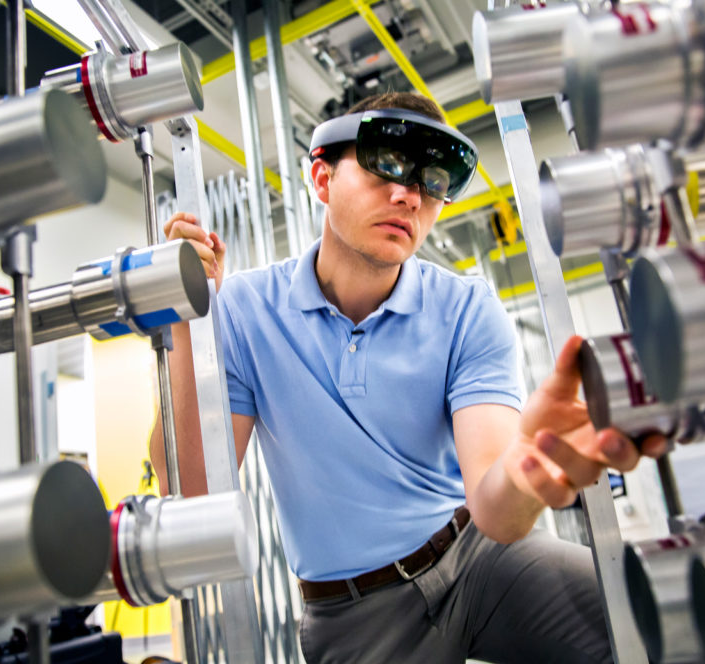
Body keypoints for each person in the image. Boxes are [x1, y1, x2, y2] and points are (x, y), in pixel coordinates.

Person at [150, 92, 666, 663]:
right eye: (386, 166)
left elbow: (495, 509)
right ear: (322, 179)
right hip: (356, 613)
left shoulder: (467, 309)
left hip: (479, 559)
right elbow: (188, 491)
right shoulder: (247, 310)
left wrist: (527, 469)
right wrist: (185, 322)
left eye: (433, 179)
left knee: (651, 616)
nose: (409, 195)